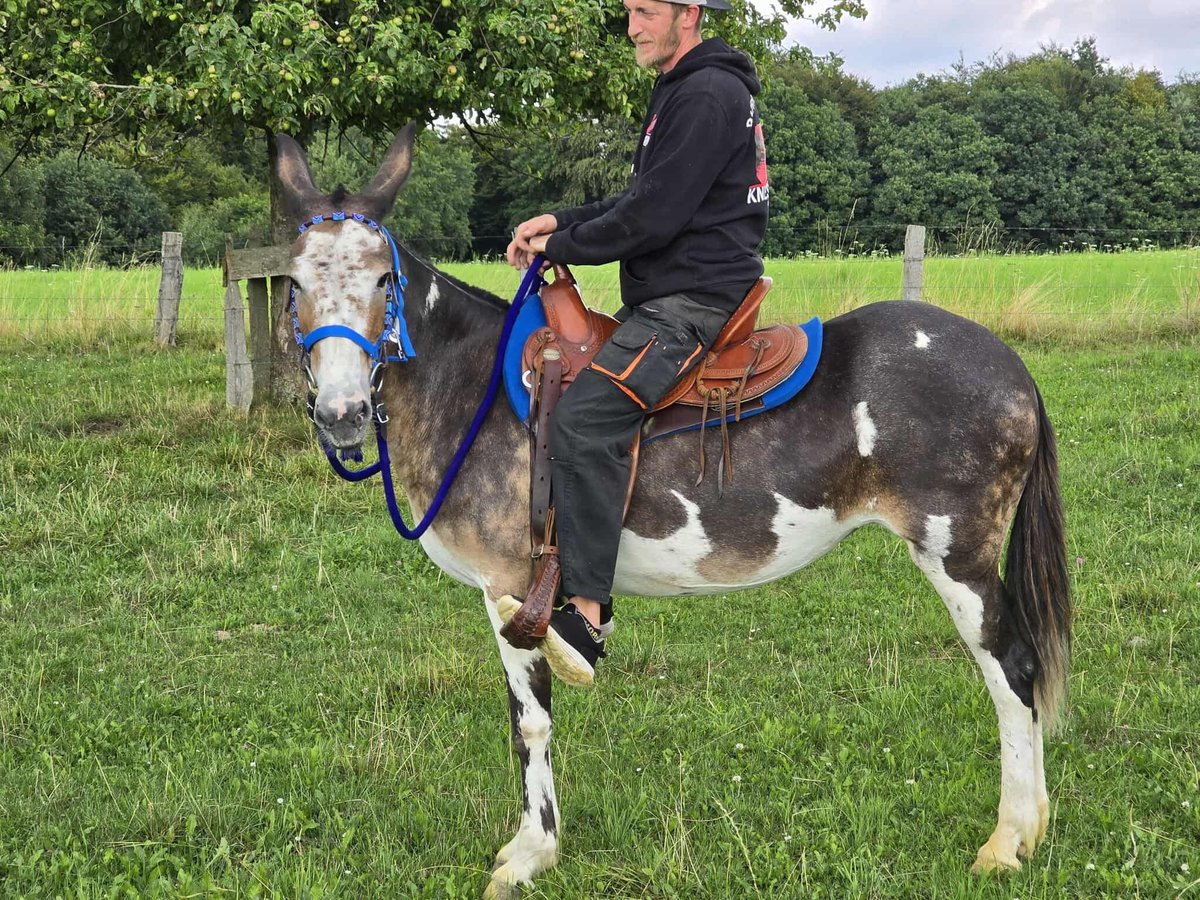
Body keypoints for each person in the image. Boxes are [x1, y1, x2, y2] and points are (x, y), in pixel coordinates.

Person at [506, 0, 769, 686]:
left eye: (645, 11)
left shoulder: (706, 94)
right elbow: (639, 198)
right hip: (670, 293)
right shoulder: (684, 89)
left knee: (585, 419)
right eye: (628, 11)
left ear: (689, 13)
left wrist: (562, 246)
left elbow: (651, 219)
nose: (631, 27)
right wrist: (558, 221)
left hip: (693, 303)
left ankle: (587, 616)